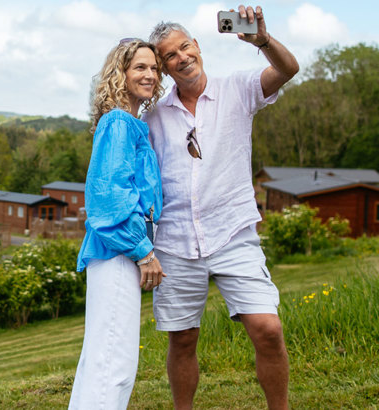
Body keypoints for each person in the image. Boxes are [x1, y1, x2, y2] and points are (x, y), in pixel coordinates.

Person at [142, 5, 299, 410]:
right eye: (169, 56)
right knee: (183, 338)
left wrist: (261, 39)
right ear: (163, 67)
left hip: (233, 233)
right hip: (175, 242)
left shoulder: (238, 88)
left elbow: (287, 70)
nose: (182, 58)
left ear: (197, 46)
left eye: (185, 47)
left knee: (268, 329)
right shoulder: (154, 117)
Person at [69, 37, 166, 409]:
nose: (150, 75)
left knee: (103, 356)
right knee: (114, 360)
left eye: (154, 68)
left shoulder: (130, 123)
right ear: (120, 73)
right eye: (140, 67)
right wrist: (144, 253)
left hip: (120, 252)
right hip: (118, 251)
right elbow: (107, 202)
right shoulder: (119, 123)